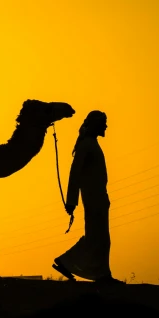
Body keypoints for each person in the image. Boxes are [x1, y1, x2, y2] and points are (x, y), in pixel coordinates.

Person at [52, 110, 123, 283]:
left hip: (98, 197)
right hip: (93, 199)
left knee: (99, 238)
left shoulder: (91, 144)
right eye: (103, 122)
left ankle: (100, 272)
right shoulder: (87, 145)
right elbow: (75, 173)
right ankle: (71, 263)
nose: (106, 125)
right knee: (98, 238)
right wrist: (71, 201)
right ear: (95, 124)